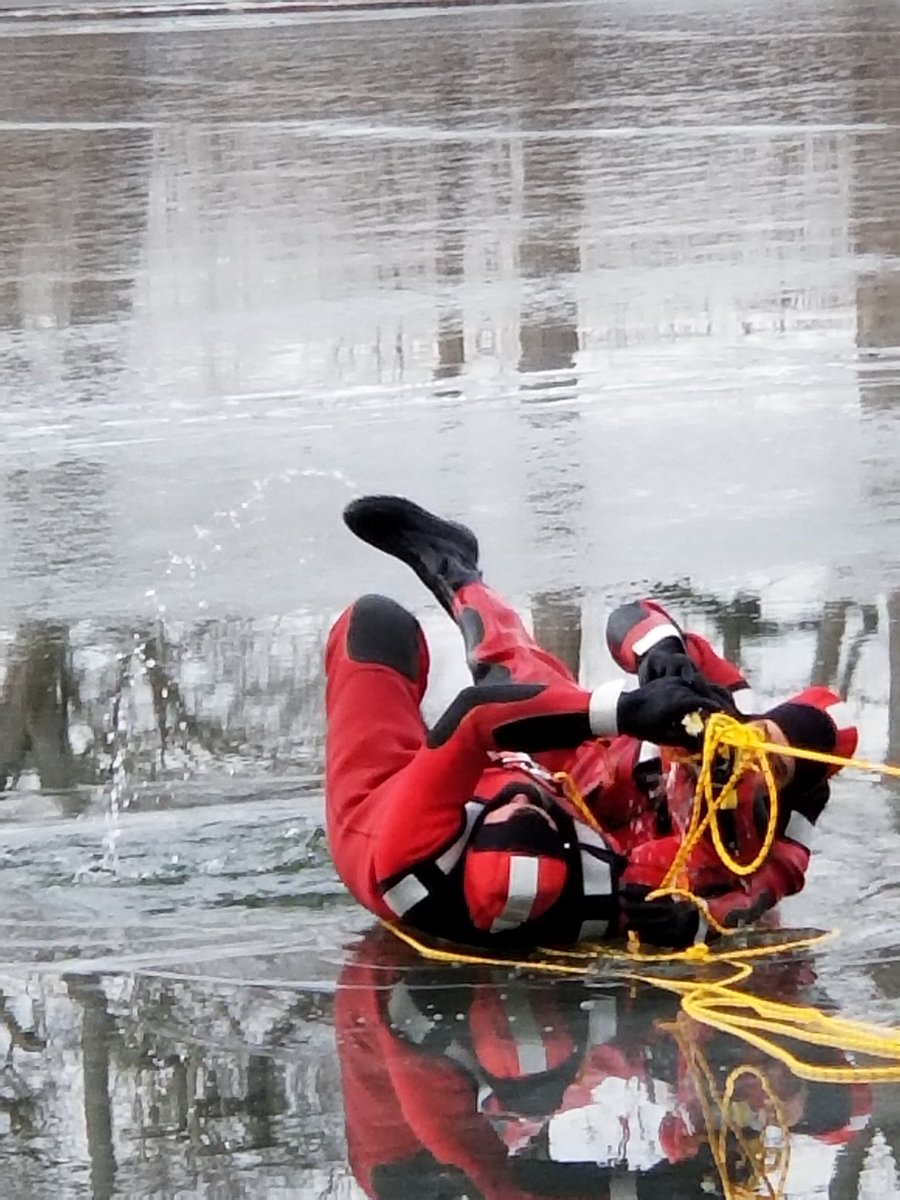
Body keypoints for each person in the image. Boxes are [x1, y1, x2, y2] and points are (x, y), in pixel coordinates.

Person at [325, 495, 856, 950]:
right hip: (593, 765)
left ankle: (454, 578)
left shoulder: (405, 852)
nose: (754, 760)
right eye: (765, 742)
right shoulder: (726, 706)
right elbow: (633, 616)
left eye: (774, 768)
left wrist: (691, 921)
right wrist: (660, 654)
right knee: (515, 669)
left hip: (397, 813)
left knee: (387, 632)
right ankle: (457, 570)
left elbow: (763, 884)